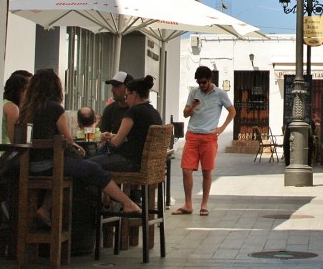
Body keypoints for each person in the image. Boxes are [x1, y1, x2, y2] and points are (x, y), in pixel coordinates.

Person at [19, 69, 142, 224]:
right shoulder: (55, 108)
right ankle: (126, 203)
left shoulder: (25, 110)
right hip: (51, 164)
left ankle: (44, 208)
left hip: (29, 165)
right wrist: (76, 147)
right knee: (93, 168)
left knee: (72, 169)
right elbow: (68, 140)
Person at [173, 65, 234, 216]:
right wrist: (193, 105)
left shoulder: (220, 94)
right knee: (186, 170)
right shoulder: (194, 92)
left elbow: (232, 111)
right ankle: (188, 204)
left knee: (207, 171)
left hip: (209, 137)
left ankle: (204, 205)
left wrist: (221, 128)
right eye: (199, 82)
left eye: (204, 82)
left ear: (210, 80)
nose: (201, 85)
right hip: (192, 135)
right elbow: (186, 114)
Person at [90, 76, 163, 171]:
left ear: (134, 94)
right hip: (147, 163)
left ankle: (112, 186)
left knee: (88, 165)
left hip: (129, 161)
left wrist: (106, 139)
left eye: (127, 96)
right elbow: (138, 137)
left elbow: (116, 143)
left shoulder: (132, 112)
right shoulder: (154, 112)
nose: (126, 100)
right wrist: (112, 136)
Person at [98, 71, 134, 138]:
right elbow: (102, 134)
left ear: (128, 89)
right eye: (113, 86)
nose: (112, 90)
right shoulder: (109, 110)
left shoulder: (137, 110)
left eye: (116, 86)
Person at [2, 71, 31, 144]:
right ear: (21, 91)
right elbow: (15, 140)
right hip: (5, 152)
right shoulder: (12, 108)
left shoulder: (3, 103)